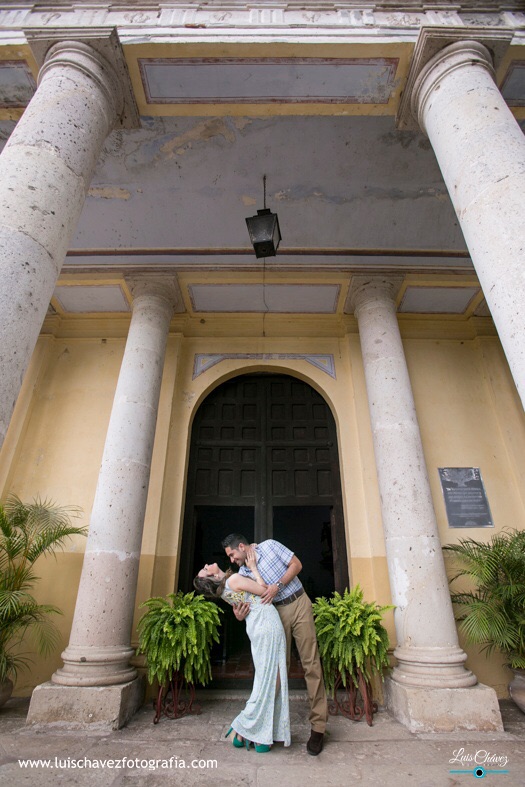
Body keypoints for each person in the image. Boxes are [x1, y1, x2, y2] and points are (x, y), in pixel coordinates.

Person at [221, 534, 328, 756]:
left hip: (299, 602)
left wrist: (278, 585)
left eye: (232, 555)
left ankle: (318, 727)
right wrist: (239, 615)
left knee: (311, 663)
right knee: (277, 672)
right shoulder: (243, 574)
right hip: (276, 614)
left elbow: (297, 564)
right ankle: (264, 729)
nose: (232, 561)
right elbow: (246, 605)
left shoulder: (269, 546)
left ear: (241, 546)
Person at [193, 549, 290, 752]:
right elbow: (265, 591)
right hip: (267, 624)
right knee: (272, 677)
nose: (207, 565)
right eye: (204, 569)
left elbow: (245, 606)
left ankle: (259, 732)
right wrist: (254, 568)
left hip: (257, 626)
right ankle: (244, 728)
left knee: (268, 678)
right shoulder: (235, 579)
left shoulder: (226, 588)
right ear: (211, 575)